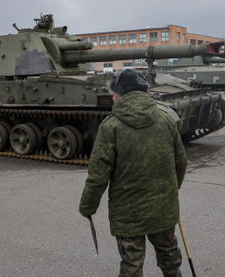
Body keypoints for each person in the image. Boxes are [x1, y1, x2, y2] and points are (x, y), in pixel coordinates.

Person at [79, 69, 187, 277]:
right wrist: (172, 191)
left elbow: (98, 175)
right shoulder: (165, 118)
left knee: (132, 262)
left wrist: (87, 207)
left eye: (115, 92)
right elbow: (181, 161)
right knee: (169, 255)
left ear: (121, 94)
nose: (112, 97)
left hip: (128, 212)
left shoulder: (111, 126)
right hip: (163, 206)